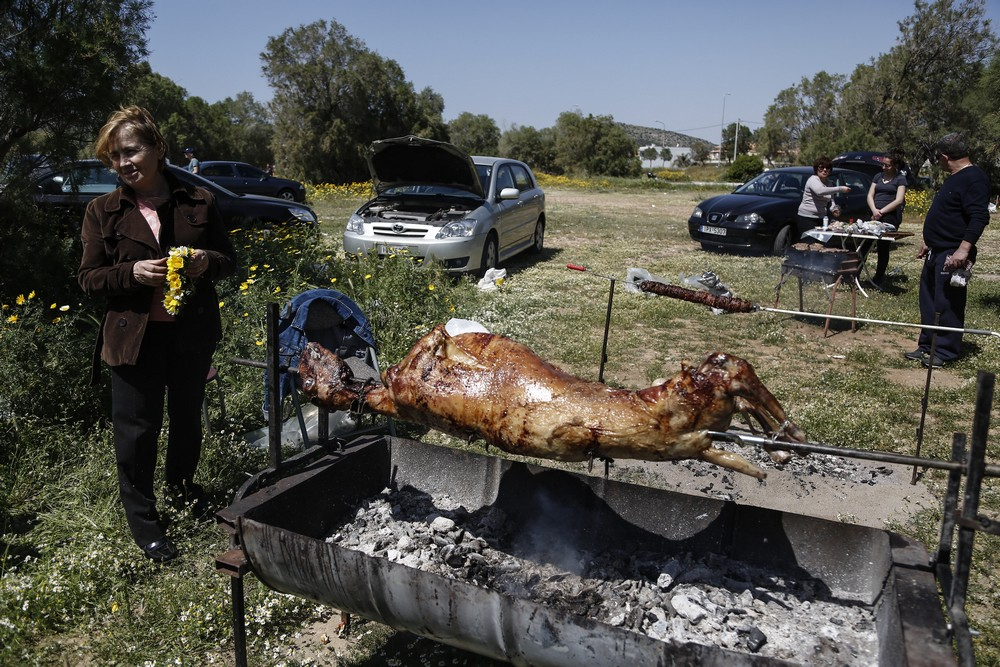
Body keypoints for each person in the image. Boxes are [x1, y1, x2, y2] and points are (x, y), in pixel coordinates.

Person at [78, 106, 237, 562]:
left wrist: (207, 262)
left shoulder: (199, 200)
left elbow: (230, 262)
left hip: (191, 334)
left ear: (158, 148)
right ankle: (146, 525)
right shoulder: (102, 211)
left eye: (131, 151)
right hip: (133, 339)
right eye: (114, 156)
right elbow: (89, 278)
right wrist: (131, 273)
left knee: (187, 419)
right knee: (136, 431)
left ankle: (184, 492)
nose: (123, 163)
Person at [905, 133, 990, 368]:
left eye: (938, 158)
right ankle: (926, 346)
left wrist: (963, 250)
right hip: (936, 250)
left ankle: (945, 351)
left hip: (952, 253)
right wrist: (929, 241)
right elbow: (949, 214)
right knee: (929, 301)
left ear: (944, 156)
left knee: (947, 303)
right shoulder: (955, 177)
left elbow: (979, 217)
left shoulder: (974, 178)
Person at [865, 149, 908, 287]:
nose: (884, 167)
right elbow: (870, 195)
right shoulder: (878, 176)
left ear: (895, 165)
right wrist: (874, 210)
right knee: (864, 244)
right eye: (883, 165)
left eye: (887, 165)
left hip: (889, 216)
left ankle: (878, 278)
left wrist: (881, 212)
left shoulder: (900, 179)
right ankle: (855, 272)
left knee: (883, 247)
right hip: (874, 214)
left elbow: (899, 200)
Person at [796, 156, 852, 238]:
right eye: (821, 167)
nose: (825, 170)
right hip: (807, 218)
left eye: (827, 167)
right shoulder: (813, 180)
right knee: (808, 245)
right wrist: (840, 189)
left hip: (821, 218)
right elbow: (820, 191)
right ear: (816, 169)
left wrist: (834, 209)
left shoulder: (829, 183)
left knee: (821, 246)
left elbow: (831, 201)